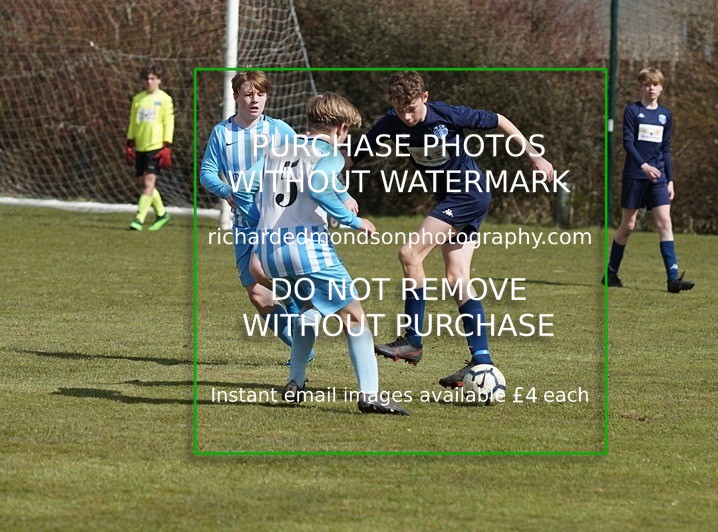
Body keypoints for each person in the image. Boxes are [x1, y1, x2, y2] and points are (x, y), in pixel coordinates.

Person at [345, 71, 555, 389]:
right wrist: (325, 171)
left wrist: (532, 154)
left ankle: (413, 340)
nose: (407, 116)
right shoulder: (392, 122)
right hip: (453, 199)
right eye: (400, 109)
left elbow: (499, 119)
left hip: (469, 194)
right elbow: (355, 155)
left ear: (425, 98)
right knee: (457, 278)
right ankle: (482, 359)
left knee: (409, 253)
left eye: (412, 108)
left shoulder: (447, 114)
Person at [249, 92, 409, 415]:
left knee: (311, 309)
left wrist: (342, 193)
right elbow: (319, 184)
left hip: (269, 252)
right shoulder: (330, 154)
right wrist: (353, 220)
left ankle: (295, 382)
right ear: (339, 128)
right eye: (347, 131)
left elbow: (255, 193)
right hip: (307, 249)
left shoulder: (278, 150)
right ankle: (370, 395)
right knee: (355, 316)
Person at [199, 71, 308, 362]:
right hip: (245, 224)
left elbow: (303, 167)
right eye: (248, 94)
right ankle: (302, 345)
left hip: (279, 223)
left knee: (282, 281)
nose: (254, 100)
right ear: (236, 96)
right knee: (258, 295)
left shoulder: (280, 131)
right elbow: (207, 173)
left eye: (259, 94)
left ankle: (301, 347)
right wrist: (227, 191)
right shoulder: (222, 133)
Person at [603, 67, 694, 293]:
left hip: (659, 178)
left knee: (665, 222)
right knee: (628, 226)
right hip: (635, 175)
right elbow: (628, 143)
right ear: (641, 86)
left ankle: (673, 279)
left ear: (661, 87)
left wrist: (670, 179)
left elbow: (665, 149)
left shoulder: (665, 115)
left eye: (655, 84)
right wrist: (643, 166)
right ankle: (611, 273)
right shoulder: (633, 110)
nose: (651, 88)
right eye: (647, 84)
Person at [126, 65, 173, 231]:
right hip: (140, 145)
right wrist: (129, 142)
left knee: (149, 181)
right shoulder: (138, 99)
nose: (149, 82)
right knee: (143, 183)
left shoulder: (165, 99)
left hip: (156, 146)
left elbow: (168, 122)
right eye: (147, 79)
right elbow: (133, 121)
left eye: (153, 78)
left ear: (159, 80)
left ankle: (139, 218)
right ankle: (161, 214)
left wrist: (167, 145)